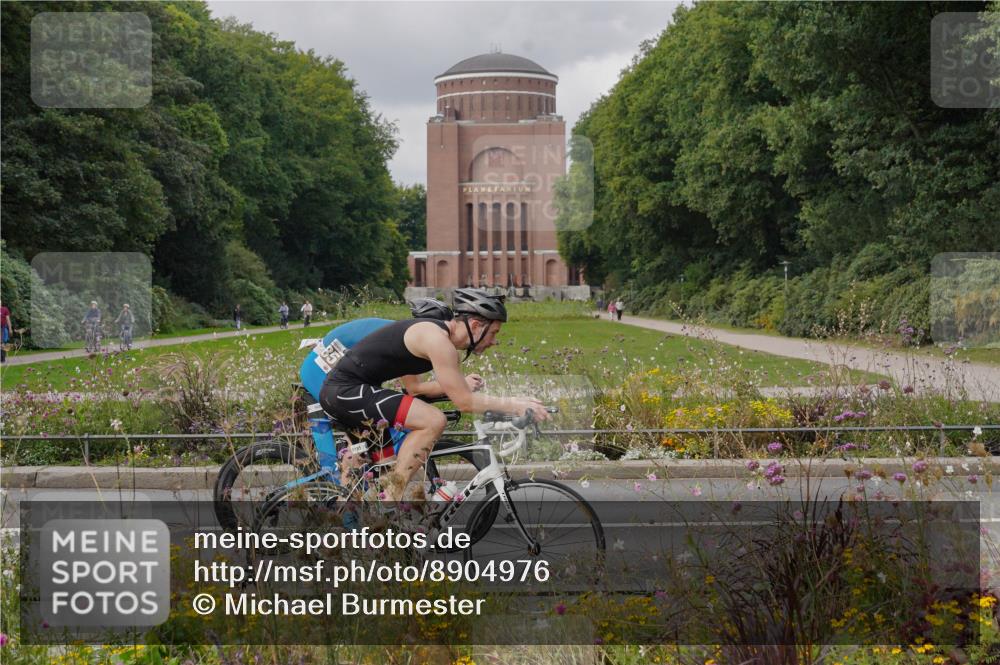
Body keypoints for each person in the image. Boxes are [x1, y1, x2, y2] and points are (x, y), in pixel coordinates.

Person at [320, 288, 548, 503]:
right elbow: (464, 402)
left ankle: (351, 525)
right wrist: (516, 404)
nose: (494, 341)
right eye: (494, 333)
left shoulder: (437, 336)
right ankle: (391, 501)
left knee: (384, 471)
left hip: (350, 390)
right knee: (433, 420)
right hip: (345, 390)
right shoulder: (437, 340)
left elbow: (423, 389)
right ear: (477, 325)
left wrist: (505, 402)